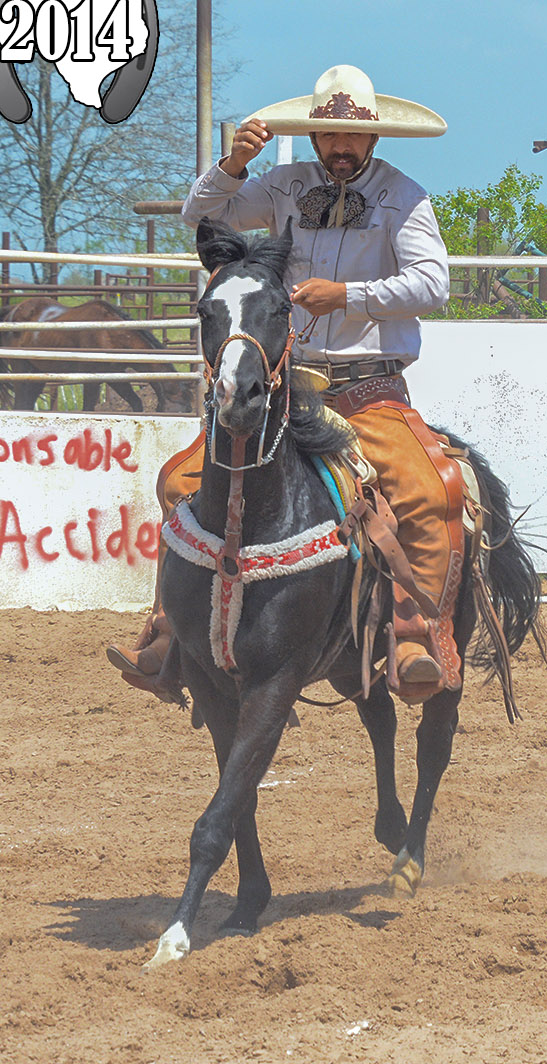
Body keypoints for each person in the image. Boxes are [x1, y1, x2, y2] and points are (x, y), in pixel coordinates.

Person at [106, 64, 468, 704]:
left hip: (369, 389)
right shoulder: (281, 184)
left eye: (352, 135)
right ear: (314, 135)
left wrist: (348, 296)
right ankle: (170, 631)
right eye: (329, 134)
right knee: (181, 480)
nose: (340, 145)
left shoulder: (405, 197)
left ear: (374, 137)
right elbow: (199, 214)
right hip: (285, 388)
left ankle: (415, 637)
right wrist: (233, 165)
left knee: (427, 489)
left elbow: (433, 284)